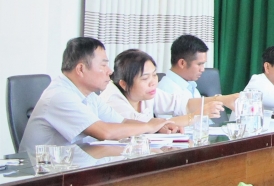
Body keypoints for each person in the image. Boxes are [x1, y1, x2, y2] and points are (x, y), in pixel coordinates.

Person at [19, 37, 179, 153]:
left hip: (70, 168)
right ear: (81, 69)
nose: (109, 71)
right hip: (42, 177)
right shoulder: (60, 96)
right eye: (103, 65)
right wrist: (149, 126)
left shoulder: (88, 95)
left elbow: (121, 122)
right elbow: (105, 132)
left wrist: (157, 127)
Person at [101, 49, 229, 125]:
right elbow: (145, 126)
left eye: (154, 75)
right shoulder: (112, 100)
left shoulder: (147, 92)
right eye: (145, 78)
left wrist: (223, 100)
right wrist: (195, 116)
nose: (153, 82)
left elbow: (183, 104)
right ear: (124, 84)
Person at [158, 34, 210, 100]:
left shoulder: (190, 85)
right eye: (199, 64)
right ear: (182, 63)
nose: (202, 69)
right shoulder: (166, 92)